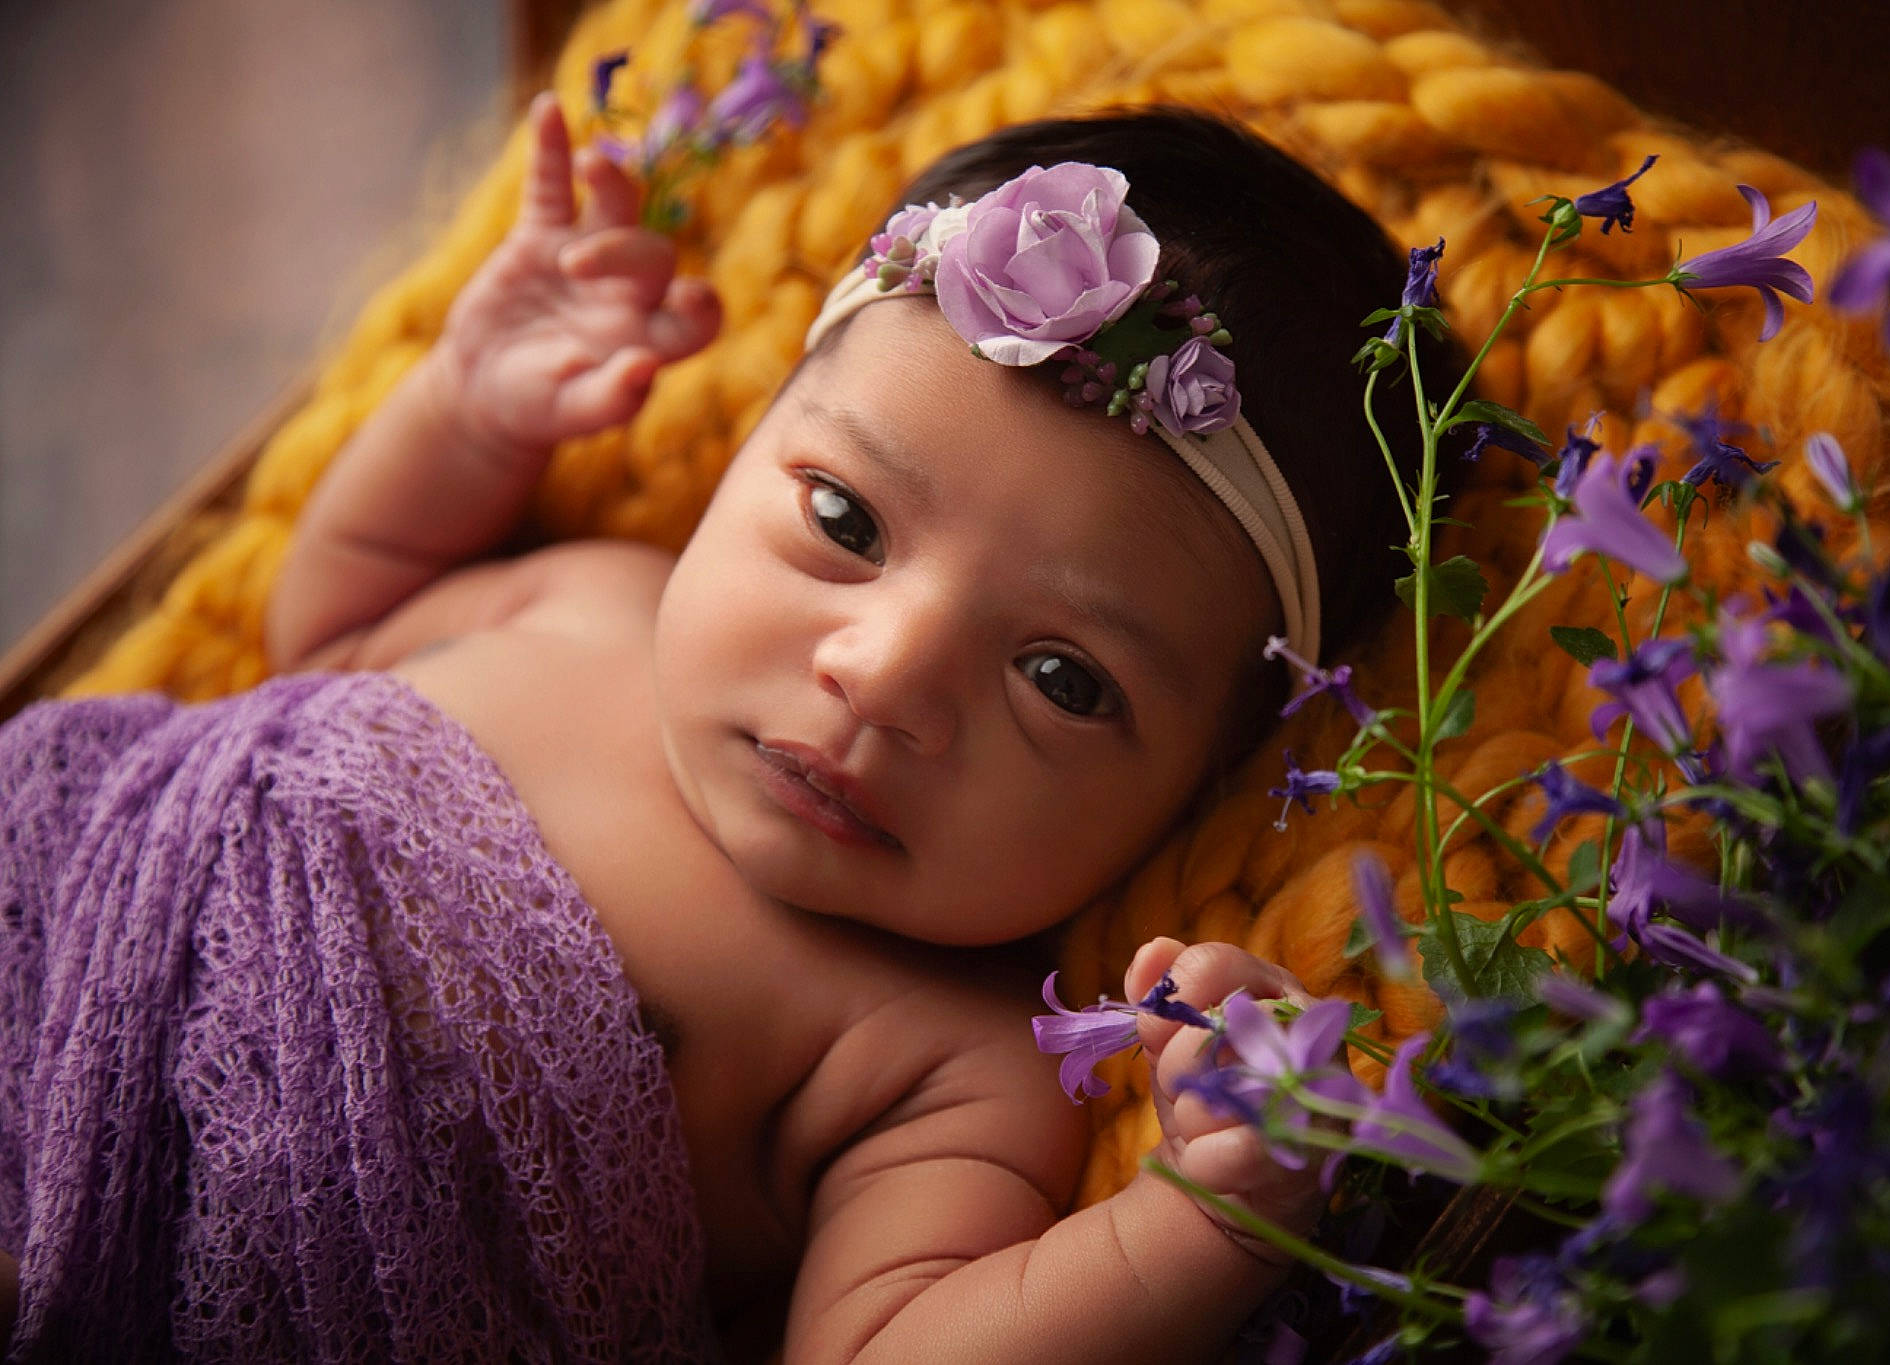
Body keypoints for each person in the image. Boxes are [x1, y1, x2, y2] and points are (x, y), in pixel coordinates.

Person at [0, 91, 1455, 1361]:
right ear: (754, 438)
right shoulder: (591, 599)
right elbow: (326, 630)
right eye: (843, 518)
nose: (882, 674)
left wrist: (1216, 1215)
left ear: (1198, 791)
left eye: (1064, 678)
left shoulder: (944, 1054)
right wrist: (469, 409)